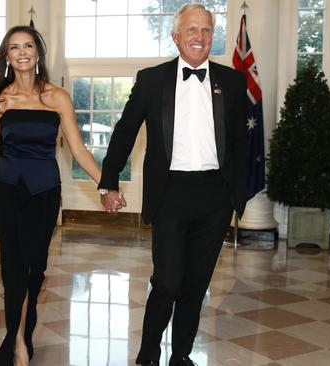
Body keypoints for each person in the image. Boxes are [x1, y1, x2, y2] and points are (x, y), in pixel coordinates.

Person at [98, 4, 248, 366]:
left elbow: (241, 142)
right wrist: (108, 181)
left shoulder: (231, 82)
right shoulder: (152, 80)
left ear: (213, 36)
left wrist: (234, 193)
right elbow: (125, 131)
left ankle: (180, 357)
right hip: (170, 194)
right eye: (192, 30)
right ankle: (148, 355)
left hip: (214, 196)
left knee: (196, 286)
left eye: (207, 30)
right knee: (167, 281)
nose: (200, 37)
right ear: (176, 36)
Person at [0, 25, 117, 366]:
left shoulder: (58, 97)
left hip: (44, 192)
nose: (21, 52)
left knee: (36, 269)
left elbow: (78, 150)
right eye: (14, 47)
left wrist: (105, 184)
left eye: (28, 45)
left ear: (37, 53)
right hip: (6, 189)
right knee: (12, 266)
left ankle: (23, 332)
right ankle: (15, 343)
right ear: (6, 57)